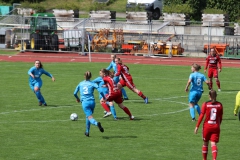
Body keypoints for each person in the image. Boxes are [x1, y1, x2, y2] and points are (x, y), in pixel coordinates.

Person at [194, 90, 223, 160]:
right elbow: (221, 117)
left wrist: (197, 126)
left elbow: (201, 115)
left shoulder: (206, 104)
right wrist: (218, 125)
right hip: (216, 126)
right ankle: (214, 158)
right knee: (213, 144)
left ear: (209, 96)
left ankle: (204, 159)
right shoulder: (220, 105)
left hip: (207, 127)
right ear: (216, 96)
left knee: (205, 143)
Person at [74, 71, 104, 137]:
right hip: (92, 102)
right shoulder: (92, 83)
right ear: (91, 76)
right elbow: (101, 91)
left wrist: (77, 98)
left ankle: (97, 123)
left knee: (90, 117)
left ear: (84, 76)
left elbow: (74, 93)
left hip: (85, 103)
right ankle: (87, 132)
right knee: (88, 116)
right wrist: (104, 97)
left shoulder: (80, 83)